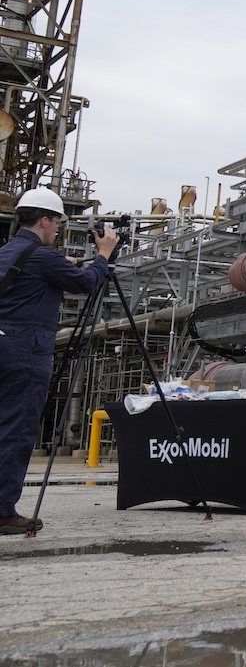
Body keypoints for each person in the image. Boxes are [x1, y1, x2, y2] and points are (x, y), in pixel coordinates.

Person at [0, 187, 118, 535]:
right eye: (56, 225)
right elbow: (87, 282)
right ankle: (3, 510)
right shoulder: (43, 257)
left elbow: (33, 278)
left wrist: (56, 266)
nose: (57, 232)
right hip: (25, 350)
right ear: (45, 220)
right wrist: (104, 255)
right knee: (16, 431)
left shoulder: (8, 252)